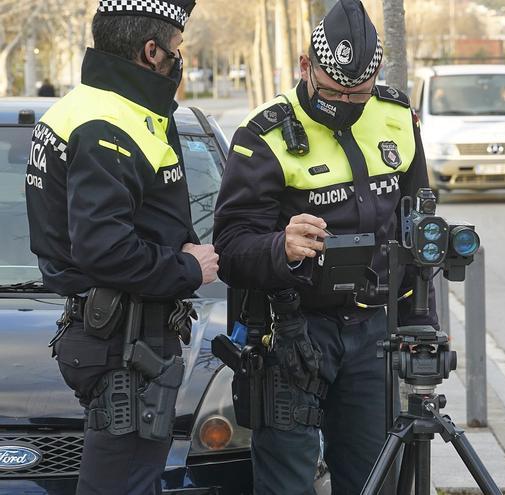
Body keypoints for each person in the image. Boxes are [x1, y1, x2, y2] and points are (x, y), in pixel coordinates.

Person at [212, 0, 437, 493]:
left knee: (371, 480)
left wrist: (421, 322)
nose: (345, 105)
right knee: (287, 481)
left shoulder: (397, 116)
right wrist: (281, 246)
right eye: (332, 92)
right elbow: (228, 248)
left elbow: (420, 231)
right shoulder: (264, 133)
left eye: (358, 94)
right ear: (304, 66)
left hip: (374, 329)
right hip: (294, 333)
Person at [24, 1, 217, 494]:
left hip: (117, 336)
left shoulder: (89, 106)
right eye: (176, 50)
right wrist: (187, 268)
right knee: (123, 485)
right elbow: (105, 250)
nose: (180, 61)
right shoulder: (111, 123)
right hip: (124, 346)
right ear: (151, 52)